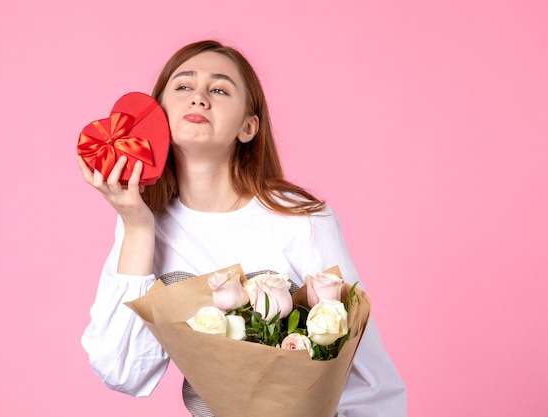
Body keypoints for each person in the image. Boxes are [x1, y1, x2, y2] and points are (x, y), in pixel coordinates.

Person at [78, 39, 406, 416]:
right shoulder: (144, 227)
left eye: (218, 89)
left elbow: (370, 378)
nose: (198, 98)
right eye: (183, 86)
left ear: (248, 127)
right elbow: (123, 372)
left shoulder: (302, 220)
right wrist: (136, 228)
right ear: (158, 117)